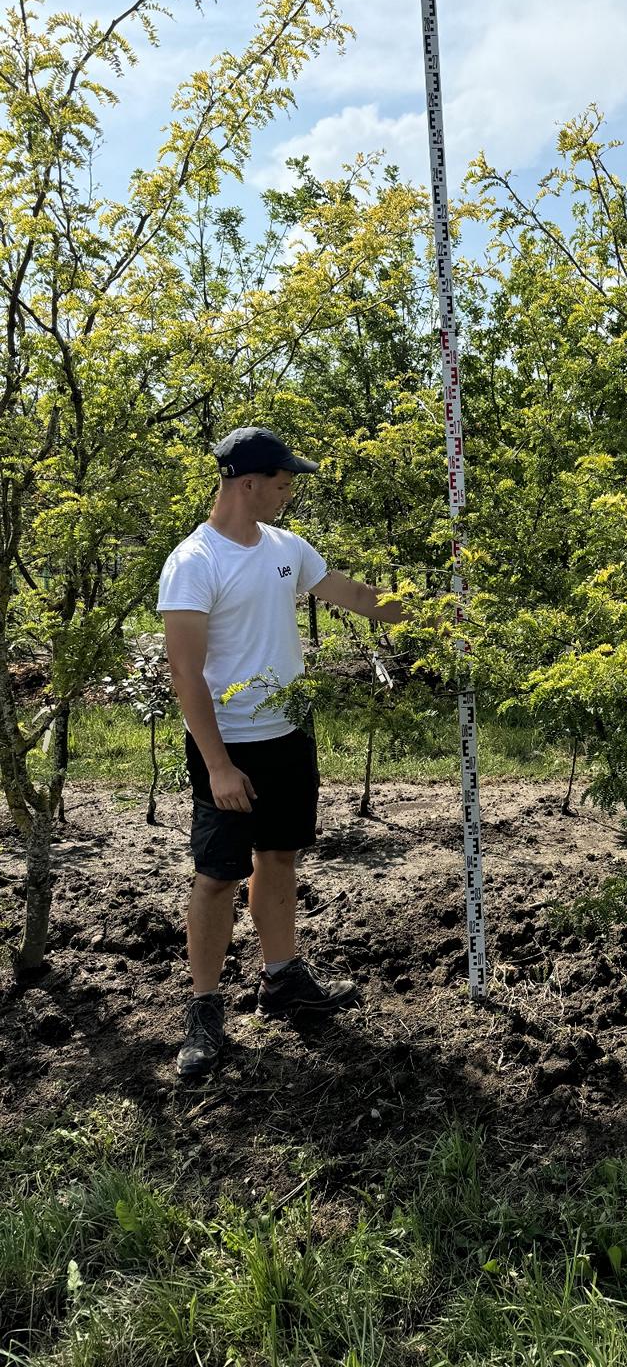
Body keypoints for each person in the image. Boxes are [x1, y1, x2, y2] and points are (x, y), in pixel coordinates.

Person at [158, 427, 411, 1079]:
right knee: (218, 875)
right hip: (227, 745)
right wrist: (217, 765)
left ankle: (282, 980)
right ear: (249, 483)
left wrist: (436, 612)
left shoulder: (286, 548)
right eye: (283, 482)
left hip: (288, 735)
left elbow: (355, 597)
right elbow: (185, 674)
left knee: (277, 856)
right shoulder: (195, 562)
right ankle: (205, 1009)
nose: (289, 493)